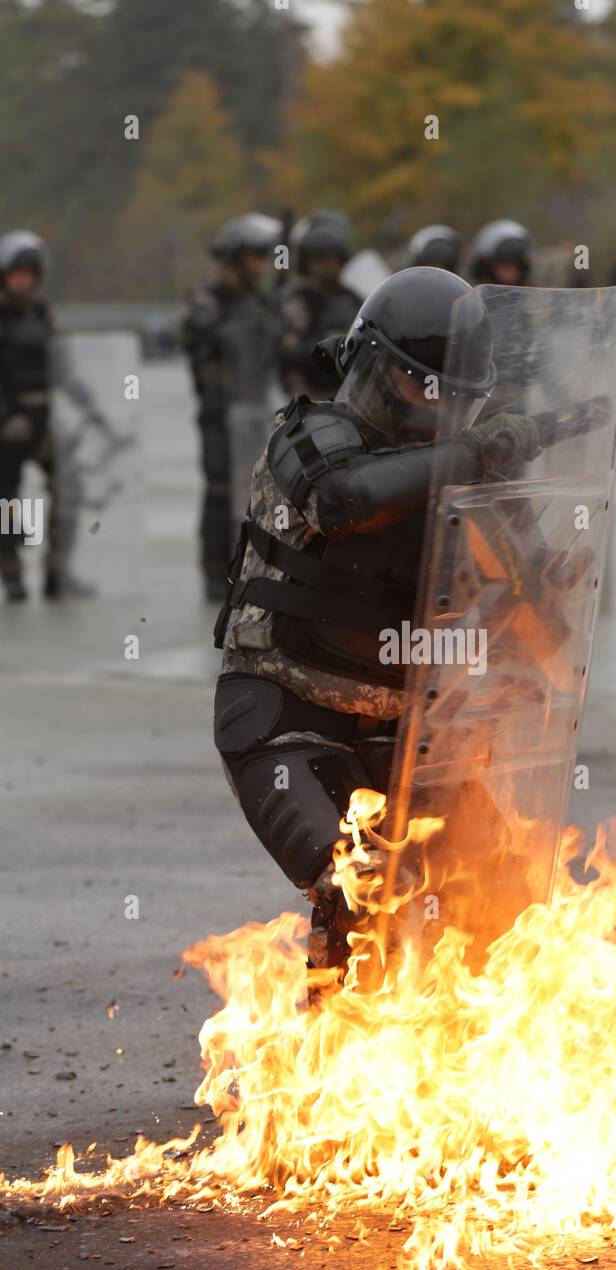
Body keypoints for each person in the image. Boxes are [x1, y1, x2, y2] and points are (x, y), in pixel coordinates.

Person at [213, 266, 546, 974]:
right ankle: (327, 1072)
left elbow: (532, 595)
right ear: (371, 367)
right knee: (353, 891)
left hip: (406, 728)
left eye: (449, 398)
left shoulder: (458, 470)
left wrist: (531, 598)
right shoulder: (307, 436)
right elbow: (344, 500)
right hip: (286, 716)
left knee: (503, 895)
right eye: (415, 386)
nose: (429, 410)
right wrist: (472, 453)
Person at [0, 230, 111, 601]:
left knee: (69, 489)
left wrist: (95, 410)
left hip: (46, 422)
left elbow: (65, 368)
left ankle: (57, 571)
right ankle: (11, 572)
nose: (24, 281)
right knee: (8, 502)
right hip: (7, 425)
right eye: (18, 273)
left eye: (30, 274)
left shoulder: (42, 315)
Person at [180, 212, 282, 602]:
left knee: (258, 492)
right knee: (221, 491)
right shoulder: (207, 299)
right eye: (255, 255)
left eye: (264, 255)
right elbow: (197, 334)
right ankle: (213, 573)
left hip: (256, 409)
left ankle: (248, 568)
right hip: (219, 413)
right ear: (235, 257)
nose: (261, 264)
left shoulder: (261, 302)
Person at [275, 211, 362, 399]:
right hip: (311, 398)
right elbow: (290, 354)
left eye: (334, 257)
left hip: (353, 394)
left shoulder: (352, 298)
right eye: (321, 258)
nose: (330, 264)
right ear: (307, 261)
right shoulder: (297, 300)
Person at [468, 220, 533, 287]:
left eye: (515, 267)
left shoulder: (532, 292)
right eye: (504, 266)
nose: (509, 274)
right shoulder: (473, 290)